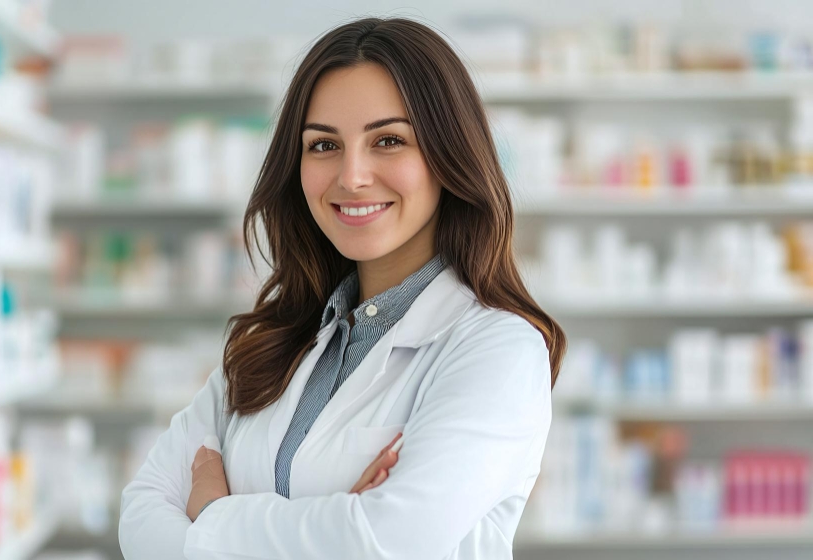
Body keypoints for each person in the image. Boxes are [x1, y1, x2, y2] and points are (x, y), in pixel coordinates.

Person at [118, 16, 566, 560]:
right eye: (324, 146)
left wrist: (212, 516)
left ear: (449, 158)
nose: (351, 176)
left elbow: (387, 540)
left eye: (389, 140)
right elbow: (141, 514)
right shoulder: (271, 342)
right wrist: (335, 527)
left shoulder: (498, 349)